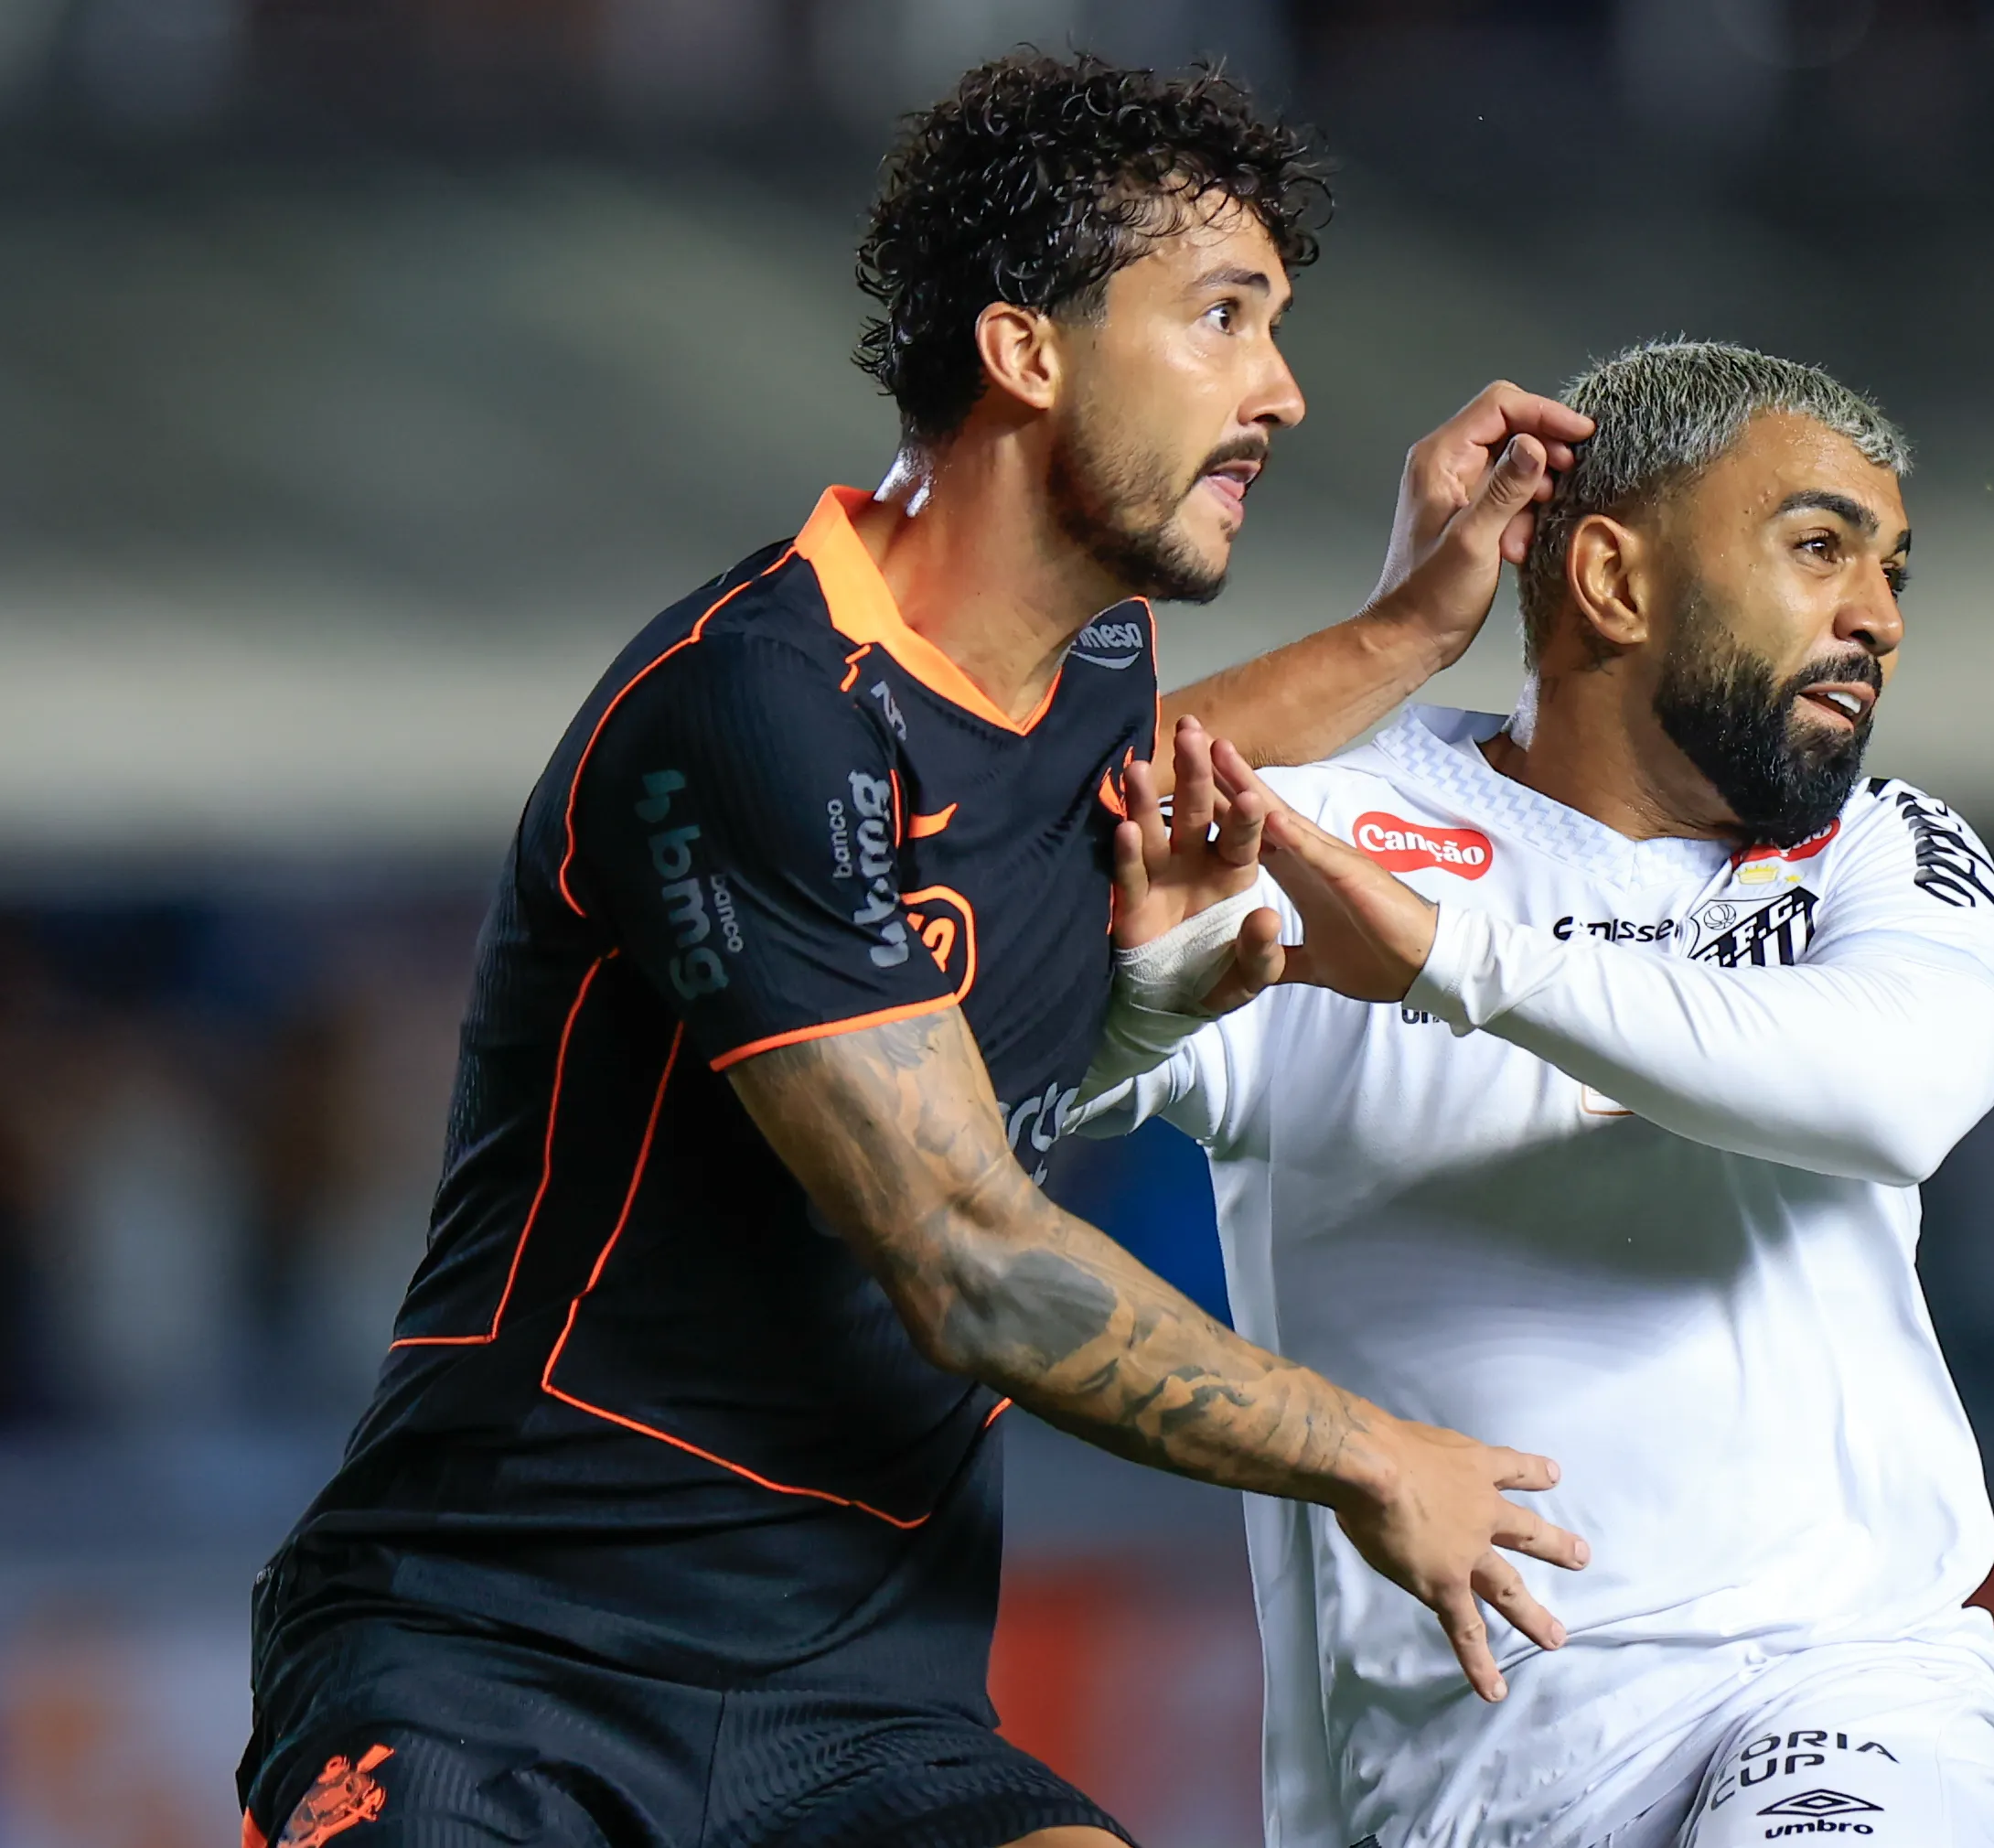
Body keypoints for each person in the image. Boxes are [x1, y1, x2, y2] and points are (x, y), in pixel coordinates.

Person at [238, 53, 1596, 1848]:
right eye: (1222, 317)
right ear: (1027, 351)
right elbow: (966, 1256)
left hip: (862, 1704)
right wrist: (1361, 1446)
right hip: (497, 1658)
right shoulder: (753, 712)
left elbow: (1135, 763)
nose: (1281, 388)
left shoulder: (1082, 660)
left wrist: (1413, 626)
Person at [1082, 339, 1994, 1847]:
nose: (1879, 619)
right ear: (1611, 580)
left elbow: (1897, 1088)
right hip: (1464, 1775)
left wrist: (1445, 961)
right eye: (1818, 549)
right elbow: (969, 966)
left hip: (1843, 1685)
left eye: (1893, 571)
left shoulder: (1882, 850)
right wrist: (1135, 1001)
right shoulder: (1327, 825)